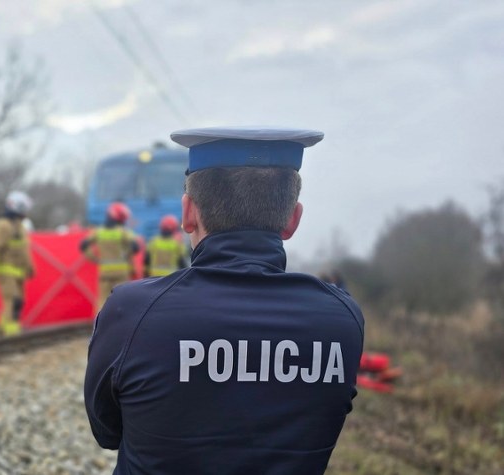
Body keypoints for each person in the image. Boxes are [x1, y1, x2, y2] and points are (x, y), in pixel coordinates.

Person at [84, 127, 365, 474]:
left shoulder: (131, 311)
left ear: (188, 214)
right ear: (293, 220)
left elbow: (107, 432)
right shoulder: (343, 320)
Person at [0, 191, 35, 336]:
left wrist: (30, 267)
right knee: (12, 300)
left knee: (18, 302)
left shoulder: (19, 226)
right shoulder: (3, 225)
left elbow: (24, 249)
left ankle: (9, 330)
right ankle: (6, 333)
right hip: (5, 271)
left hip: (18, 272)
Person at [80, 202, 140, 312]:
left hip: (105, 272)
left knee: (102, 300)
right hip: (121, 272)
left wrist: (94, 258)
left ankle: (100, 325)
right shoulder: (123, 232)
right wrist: (126, 255)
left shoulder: (98, 232)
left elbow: (83, 245)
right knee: (122, 299)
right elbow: (136, 247)